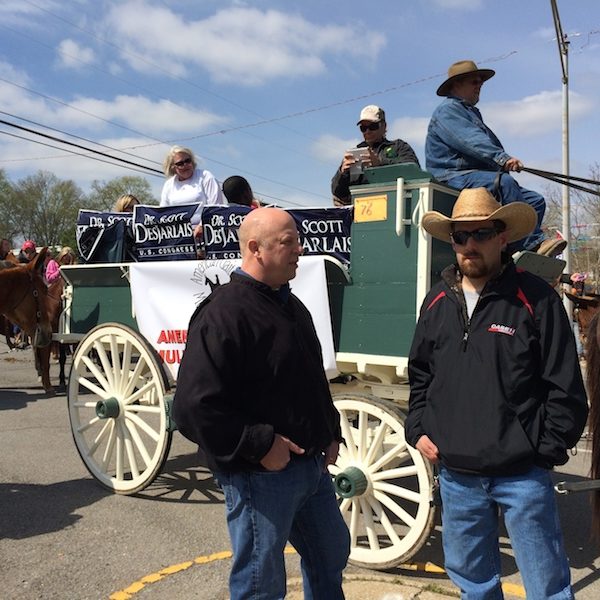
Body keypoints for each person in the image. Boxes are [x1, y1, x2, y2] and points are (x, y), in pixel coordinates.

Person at [405, 187, 588, 599]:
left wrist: (543, 449)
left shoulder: (535, 298)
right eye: (460, 236)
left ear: (502, 237)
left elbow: (565, 386)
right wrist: (417, 428)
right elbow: (420, 374)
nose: (469, 245)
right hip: (457, 477)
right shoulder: (436, 301)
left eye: (481, 233)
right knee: (475, 583)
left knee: (548, 587)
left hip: (521, 475)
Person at [173, 207, 350, 599]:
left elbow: (311, 381)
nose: (299, 249)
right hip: (261, 475)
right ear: (255, 248)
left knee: (330, 555)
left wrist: (330, 431)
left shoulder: (292, 306)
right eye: (288, 242)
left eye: (297, 240)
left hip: (311, 467)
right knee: (260, 583)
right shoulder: (223, 313)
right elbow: (192, 406)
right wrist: (261, 445)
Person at [426, 60, 564, 257]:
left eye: (481, 82)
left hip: (472, 175)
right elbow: (470, 140)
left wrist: (501, 162)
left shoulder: (470, 112)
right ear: (457, 85)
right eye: (474, 81)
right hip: (451, 175)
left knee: (535, 202)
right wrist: (502, 159)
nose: (479, 85)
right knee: (504, 183)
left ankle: (513, 253)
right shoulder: (448, 110)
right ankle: (532, 245)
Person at [331, 105, 420, 206]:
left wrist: (380, 164)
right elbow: (337, 192)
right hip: (360, 209)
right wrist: (343, 173)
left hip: (392, 205)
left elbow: (413, 171)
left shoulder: (399, 146)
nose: (368, 131)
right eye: (363, 128)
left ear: (384, 126)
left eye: (373, 126)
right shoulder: (354, 154)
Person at [160, 145, 227, 238]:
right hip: (178, 237)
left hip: (206, 234)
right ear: (173, 167)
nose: (185, 165)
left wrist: (202, 226)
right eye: (180, 163)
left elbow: (216, 206)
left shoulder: (205, 176)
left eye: (188, 161)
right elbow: (163, 212)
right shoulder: (169, 185)